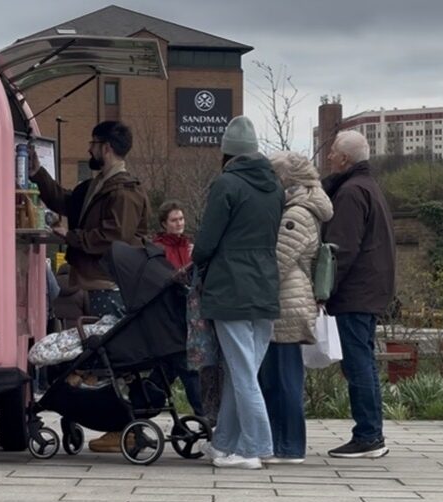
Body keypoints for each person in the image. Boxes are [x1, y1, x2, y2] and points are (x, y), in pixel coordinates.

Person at [29, 120, 151, 452]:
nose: (89, 149)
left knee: (109, 358)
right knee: (103, 356)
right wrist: (38, 173)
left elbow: (115, 238)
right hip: (98, 281)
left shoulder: (123, 192)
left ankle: (122, 428)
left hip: (109, 284)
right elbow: (67, 201)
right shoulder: (99, 185)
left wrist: (71, 236)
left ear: (106, 148)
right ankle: (120, 426)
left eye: (93, 144)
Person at [194, 115, 284, 470]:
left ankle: (255, 447)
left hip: (230, 286)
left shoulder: (226, 184)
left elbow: (206, 242)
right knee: (240, 370)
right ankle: (226, 442)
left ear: (227, 153)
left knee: (243, 372)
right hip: (265, 286)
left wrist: (197, 261)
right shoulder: (277, 187)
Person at [321, 130, 396, 459]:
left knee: (358, 364)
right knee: (363, 361)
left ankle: (367, 434)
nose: (329, 157)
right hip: (370, 289)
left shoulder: (350, 193)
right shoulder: (370, 188)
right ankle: (372, 432)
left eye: (333, 152)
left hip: (355, 293)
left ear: (345, 159)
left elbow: (342, 249)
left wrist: (325, 289)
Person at [258, 151, 333, 464]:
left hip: (287, 303)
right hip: (290, 300)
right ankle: (281, 442)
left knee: (284, 379)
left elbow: (277, 259)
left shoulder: (296, 215)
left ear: (286, 181)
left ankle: (288, 446)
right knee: (278, 376)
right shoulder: (302, 208)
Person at [152, 201, 204, 417]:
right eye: (174, 220)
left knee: (169, 367)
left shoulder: (189, 245)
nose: (179, 223)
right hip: (170, 312)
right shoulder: (158, 248)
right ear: (164, 223)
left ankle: (145, 401)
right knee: (183, 366)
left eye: (181, 219)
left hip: (188, 311)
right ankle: (202, 412)